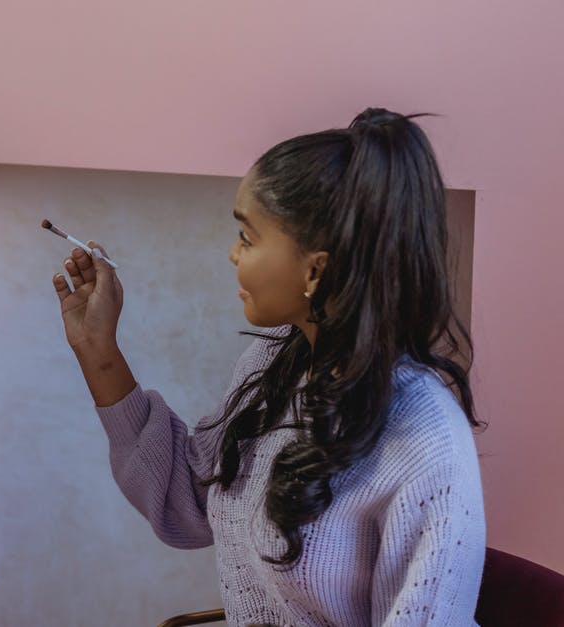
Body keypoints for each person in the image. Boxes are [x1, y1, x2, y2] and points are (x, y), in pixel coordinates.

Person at [53, 108, 484, 625]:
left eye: (248, 238)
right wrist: (100, 353)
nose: (233, 255)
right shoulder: (277, 360)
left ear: (315, 268)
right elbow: (189, 504)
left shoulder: (425, 439)